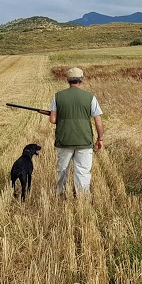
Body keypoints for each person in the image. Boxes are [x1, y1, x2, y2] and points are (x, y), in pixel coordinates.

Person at [49, 67, 104, 197]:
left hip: (64, 139)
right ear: (81, 80)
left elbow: (52, 120)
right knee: (83, 171)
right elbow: (98, 121)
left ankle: (60, 193)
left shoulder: (58, 96)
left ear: (68, 80)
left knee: (62, 169)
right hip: (84, 140)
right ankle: (82, 196)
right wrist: (100, 139)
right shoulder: (90, 97)